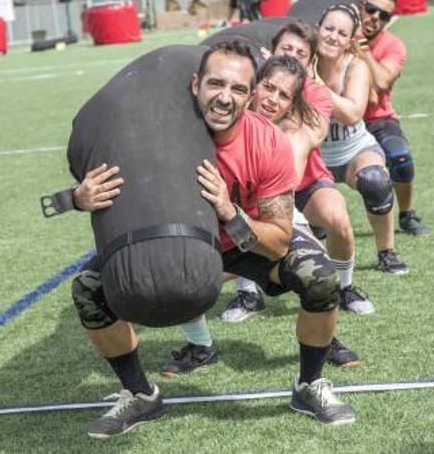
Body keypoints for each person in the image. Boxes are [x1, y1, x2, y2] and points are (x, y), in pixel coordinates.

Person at [70, 41, 356, 438]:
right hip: (180, 244)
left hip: (243, 245)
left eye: (239, 89)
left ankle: (309, 385)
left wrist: (230, 212)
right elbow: (106, 182)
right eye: (215, 84)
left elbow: (277, 241)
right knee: (87, 289)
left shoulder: (267, 142)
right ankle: (139, 394)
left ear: (252, 93)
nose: (224, 97)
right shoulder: (159, 130)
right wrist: (76, 197)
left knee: (320, 276)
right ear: (194, 84)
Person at [165, 53, 362, 377]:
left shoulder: (288, 134)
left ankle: (325, 340)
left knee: (314, 271)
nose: (272, 99)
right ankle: (203, 343)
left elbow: (278, 226)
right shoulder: (205, 120)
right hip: (213, 233)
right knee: (177, 276)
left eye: (283, 95)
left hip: (269, 219)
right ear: (255, 89)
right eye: (268, 88)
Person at [222, 21, 374, 325]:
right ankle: (247, 294)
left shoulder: (315, 93)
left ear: (310, 61)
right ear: (270, 53)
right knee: (236, 218)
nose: (292, 56)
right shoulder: (249, 87)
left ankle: (344, 286)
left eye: (301, 53)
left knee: (337, 219)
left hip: (301, 180)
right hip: (252, 188)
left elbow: (305, 141)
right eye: (286, 49)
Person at [315, 4, 409, 274]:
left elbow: (352, 114)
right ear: (317, 30)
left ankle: (387, 251)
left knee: (375, 181)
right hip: (314, 155)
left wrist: (313, 84)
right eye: (328, 29)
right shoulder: (301, 59)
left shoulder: (355, 66)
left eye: (342, 33)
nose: (333, 36)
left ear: (349, 41)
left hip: (353, 150)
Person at [356, 0, 432, 237]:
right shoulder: (338, 34)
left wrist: (363, 49)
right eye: (371, 9)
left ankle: (407, 215)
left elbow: (380, 83)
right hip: (341, 119)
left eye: (384, 15)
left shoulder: (394, 46)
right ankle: (314, 220)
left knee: (400, 158)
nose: (375, 17)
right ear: (360, 6)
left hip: (379, 119)